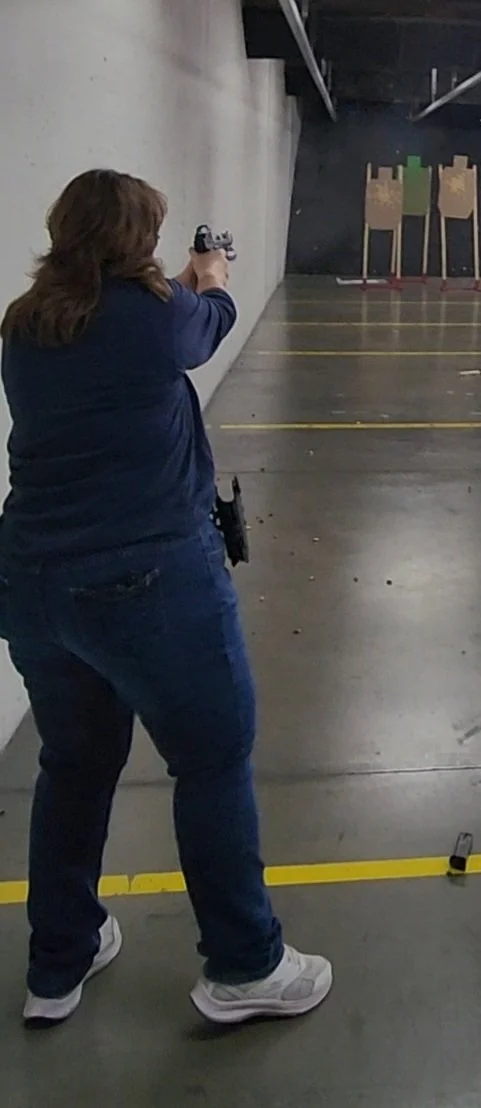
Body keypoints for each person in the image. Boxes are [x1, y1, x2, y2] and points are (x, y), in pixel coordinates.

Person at [0, 169, 332, 1026]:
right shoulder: (152, 316)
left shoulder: (29, 323)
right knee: (213, 759)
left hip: (34, 584)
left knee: (72, 766)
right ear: (134, 240)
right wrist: (209, 279)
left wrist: (177, 285)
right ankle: (245, 964)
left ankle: (57, 963)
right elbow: (203, 327)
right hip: (147, 579)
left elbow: (137, 341)